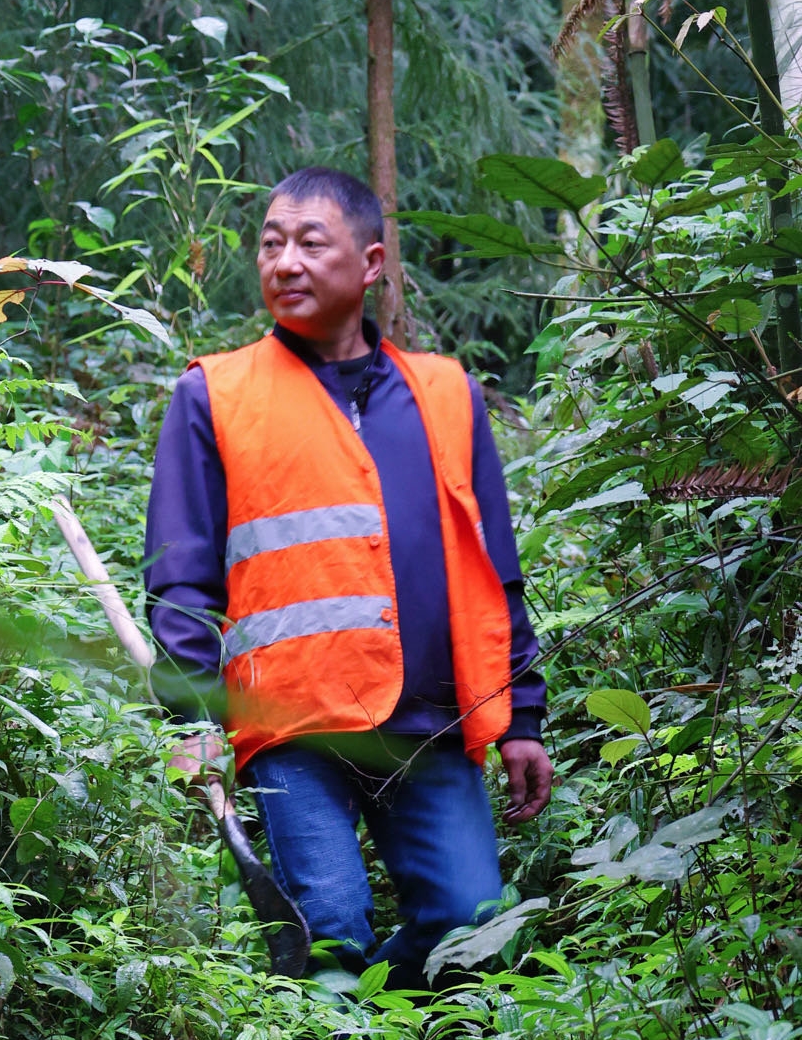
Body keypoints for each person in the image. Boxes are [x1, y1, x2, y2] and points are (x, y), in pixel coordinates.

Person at [144, 166, 552, 989]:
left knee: (470, 929)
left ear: (370, 264)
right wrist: (189, 716)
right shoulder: (213, 395)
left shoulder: (447, 393)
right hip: (295, 726)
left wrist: (523, 717)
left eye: (309, 243)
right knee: (329, 936)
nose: (284, 262)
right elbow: (181, 576)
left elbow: (493, 569)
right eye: (270, 244)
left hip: (430, 724)